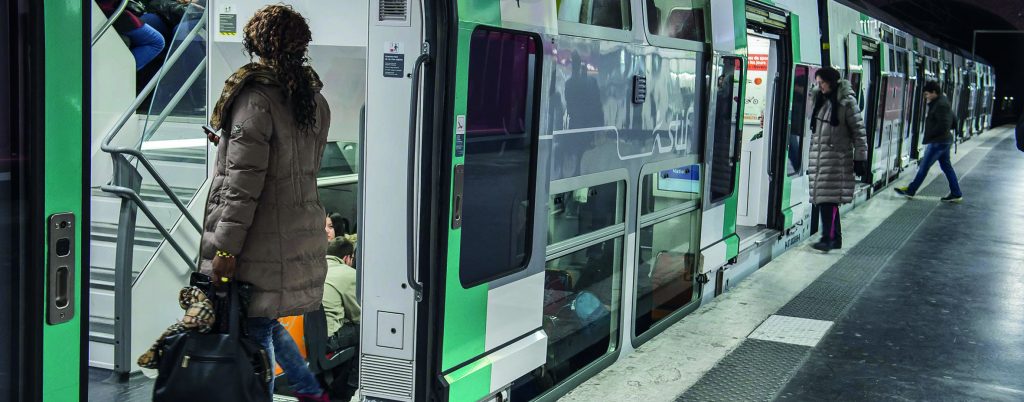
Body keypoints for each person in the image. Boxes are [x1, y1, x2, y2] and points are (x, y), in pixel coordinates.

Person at [199, 5, 331, 401]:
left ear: (256, 43)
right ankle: (308, 389)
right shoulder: (313, 98)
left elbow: (242, 190)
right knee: (261, 325)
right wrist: (230, 144)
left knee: (251, 341)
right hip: (293, 236)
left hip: (256, 244)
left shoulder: (255, 98)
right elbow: (287, 165)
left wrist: (225, 249)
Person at [807, 67, 869, 252]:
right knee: (826, 200)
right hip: (821, 159)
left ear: (832, 82)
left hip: (837, 160)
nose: (820, 86)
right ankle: (833, 238)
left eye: (822, 83)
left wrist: (860, 159)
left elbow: (859, 133)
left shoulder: (846, 103)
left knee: (828, 200)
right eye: (817, 83)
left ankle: (828, 238)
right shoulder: (821, 100)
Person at [895, 81, 962, 202]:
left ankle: (911, 190)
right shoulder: (941, 102)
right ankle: (956, 193)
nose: (926, 97)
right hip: (944, 141)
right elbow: (954, 119)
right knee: (947, 167)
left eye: (927, 94)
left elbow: (945, 124)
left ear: (934, 92)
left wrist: (931, 134)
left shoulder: (940, 104)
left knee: (924, 167)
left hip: (939, 142)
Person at [96, 0, 165, 70]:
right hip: (109, 12)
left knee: (150, 19)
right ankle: (118, 72)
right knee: (157, 42)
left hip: (108, 10)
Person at [323, 238, 360, 351]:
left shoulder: (313, 268)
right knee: (366, 328)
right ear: (346, 258)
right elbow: (358, 316)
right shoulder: (348, 273)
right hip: (328, 339)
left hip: (306, 336)